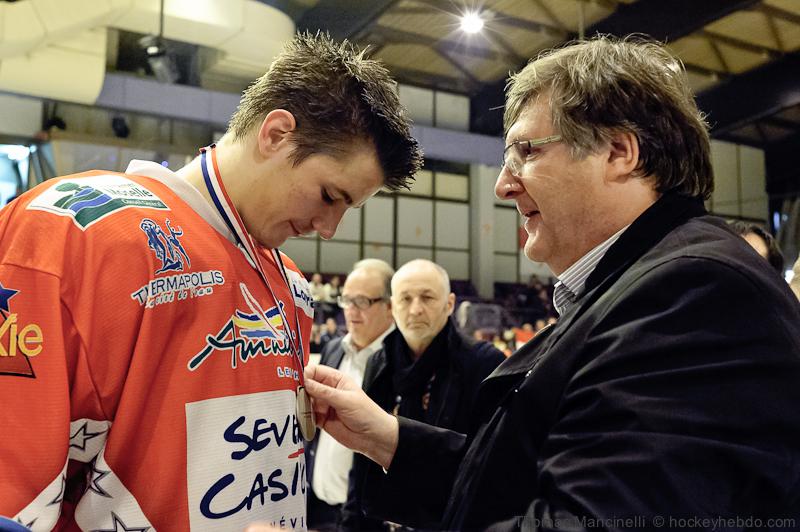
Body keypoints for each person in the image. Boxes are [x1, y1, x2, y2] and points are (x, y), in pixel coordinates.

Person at [303, 36, 800, 531]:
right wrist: (387, 438)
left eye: (525, 151)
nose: (503, 185)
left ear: (618, 152)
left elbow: (586, 520)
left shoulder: (696, 292)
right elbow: (523, 483)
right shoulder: (642, 285)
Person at [0, 32, 421, 530]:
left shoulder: (290, 284)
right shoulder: (70, 231)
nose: (329, 229)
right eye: (330, 195)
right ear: (276, 134)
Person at [341, 259, 505, 530]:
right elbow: (362, 462)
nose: (415, 309)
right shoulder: (379, 363)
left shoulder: (484, 363)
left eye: (427, 298)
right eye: (405, 299)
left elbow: (489, 462)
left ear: (449, 304)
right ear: (392, 307)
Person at [306, 259, 396, 531]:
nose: (351, 310)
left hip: (364, 519)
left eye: (363, 301)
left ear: (390, 307)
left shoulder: (400, 361)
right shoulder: (333, 349)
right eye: (347, 300)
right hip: (318, 509)